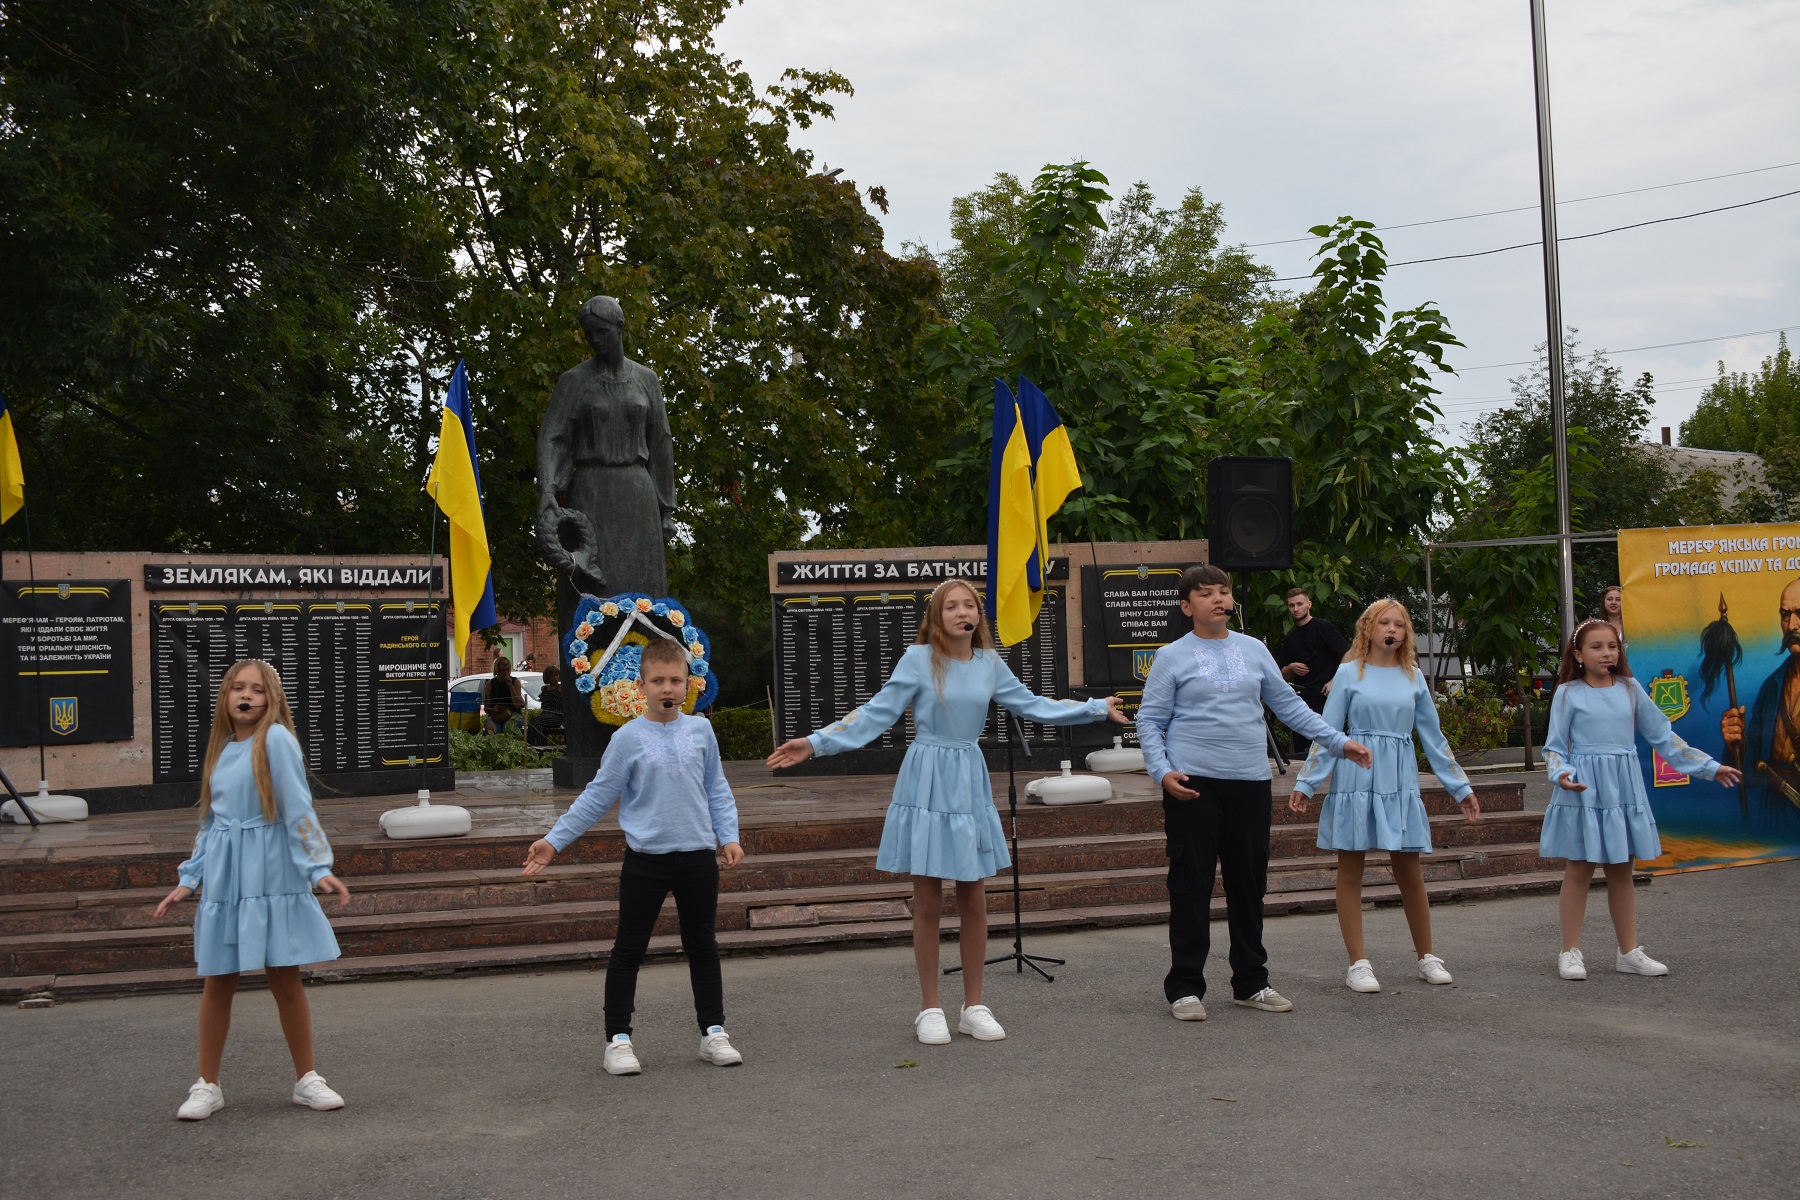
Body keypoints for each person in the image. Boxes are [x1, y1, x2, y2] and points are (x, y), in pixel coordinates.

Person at [766, 579, 1126, 1045]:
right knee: (929, 898)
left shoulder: (989, 663)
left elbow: (1034, 705)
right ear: (936, 616)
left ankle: (973, 1005)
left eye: (969, 605)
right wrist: (815, 743)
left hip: (968, 778)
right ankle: (930, 1007)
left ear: (978, 615)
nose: (962, 612)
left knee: (973, 895)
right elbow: (875, 713)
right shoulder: (919, 659)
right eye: (952, 606)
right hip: (927, 776)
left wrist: (1094, 707)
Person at [1137, 564, 1373, 1021]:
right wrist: (1161, 772)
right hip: (1192, 785)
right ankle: (1185, 988)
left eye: (1223, 592)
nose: (1218, 599)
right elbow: (1149, 720)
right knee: (1191, 885)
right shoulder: (1171, 656)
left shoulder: (1254, 649)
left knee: (1248, 884)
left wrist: (1338, 742)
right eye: (1206, 593)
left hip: (1250, 782)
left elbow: (1288, 706)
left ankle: (1251, 982)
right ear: (1187, 606)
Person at [522, 638, 746, 1075]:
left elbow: (717, 789)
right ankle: (618, 1040)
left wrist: (729, 836)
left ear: (688, 686)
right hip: (646, 861)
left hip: (698, 858)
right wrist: (554, 841)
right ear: (641, 686)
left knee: (703, 946)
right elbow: (597, 795)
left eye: (675, 680)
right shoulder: (626, 738)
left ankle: (713, 1032)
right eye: (658, 680)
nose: (667, 688)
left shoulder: (702, 731)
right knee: (629, 948)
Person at [152, 659, 352, 1121]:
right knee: (218, 979)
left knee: (285, 976)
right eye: (238, 688)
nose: (246, 696)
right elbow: (210, 824)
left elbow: (298, 807)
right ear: (225, 697)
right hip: (227, 878)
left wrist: (317, 866)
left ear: (272, 699)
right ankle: (207, 1085)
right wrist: (189, 879)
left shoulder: (276, 740)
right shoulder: (220, 749)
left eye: (258, 690)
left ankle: (307, 1079)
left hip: (272, 873)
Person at [1289, 599, 1480, 993]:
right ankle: (1358, 963)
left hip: (1399, 780)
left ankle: (1427, 956)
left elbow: (1433, 738)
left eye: (1399, 624)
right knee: (1350, 869)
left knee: (1409, 870)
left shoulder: (1413, 676)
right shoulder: (1348, 673)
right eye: (1384, 623)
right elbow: (1328, 732)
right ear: (1368, 628)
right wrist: (1307, 782)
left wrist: (1460, 787)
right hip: (1356, 777)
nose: (1392, 629)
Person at [1541, 619, 1740, 980]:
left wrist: (1709, 767)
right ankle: (1570, 951)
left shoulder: (1630, 689)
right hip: (1584, 788)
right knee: (1579, 868)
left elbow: (1664, 736)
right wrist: (1562, 774)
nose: (1607, 653)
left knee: (1622, 869)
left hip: (1623, 787)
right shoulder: (1567, 693)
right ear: (1578, 654)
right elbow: (1554, 747)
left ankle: (1628, 952)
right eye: (1597, 647)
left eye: (1612, 646)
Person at [1720, 576, 1800, 820]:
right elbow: (1750, 767)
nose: (1792, 625)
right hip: (1778, 811)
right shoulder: (1772, 686)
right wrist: (1737, 742)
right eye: (1785, 615)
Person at [1276, 587, 1350, 755]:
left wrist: (1335, 681)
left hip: (1325, 698)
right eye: (1291, 605)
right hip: (1301, 701)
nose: (1296, 609)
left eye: (1299, 604)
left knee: (1325, 748)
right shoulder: (1291, 637)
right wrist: (1291, 667)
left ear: (1309, 604)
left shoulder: (1324, 628)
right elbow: (1282, 674)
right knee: (1302, 752)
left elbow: (1348, 654)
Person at [528, 663, 566, 746]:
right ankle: (537, 747)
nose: (555, 677)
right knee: (536, 724)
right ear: (548, 677)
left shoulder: (560, 688)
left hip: (556, 715)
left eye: (556, 675)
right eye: (552, 676)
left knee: (535, 720)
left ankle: (532, 745)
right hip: (545, 714)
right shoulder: (544, 688)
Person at [485, 655, 525, 733]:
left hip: (513, 714)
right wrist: (492, 710)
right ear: (497, 670)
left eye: (507, 670)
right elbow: (486, 708)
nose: (506, 673)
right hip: (496, 715)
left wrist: (510, 686)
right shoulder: (490, 684)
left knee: (508, 727)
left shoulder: (515, 682)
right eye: (503, 670)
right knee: (490, 728)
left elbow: (517, 704)